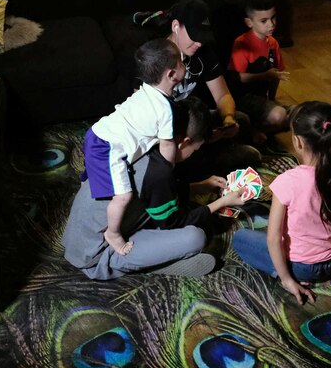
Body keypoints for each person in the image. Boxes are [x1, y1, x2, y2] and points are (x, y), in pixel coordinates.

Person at [63, 97, 247, 279]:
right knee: (195, 237)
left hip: (79, 234)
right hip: (94, 253)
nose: (192, 155)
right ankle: (132, 263)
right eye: (195, 149)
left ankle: (153, 254)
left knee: (186, 210)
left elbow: (155, 192)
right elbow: (174, 221)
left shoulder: (146, 143)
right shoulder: (159, 173)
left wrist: (199, 187)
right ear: (184, 142)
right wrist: (223, 202)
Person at [231, 101, 331, 305]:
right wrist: (329, 221)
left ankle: (300, 278)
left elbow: (274, 239)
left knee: (240, 238)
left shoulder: (288, 182)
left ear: (298, 142)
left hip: (302, 267)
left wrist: (287, 280)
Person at [83, 38, 186, 256]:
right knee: (123, 197)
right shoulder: (165, 109)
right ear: (171, 75)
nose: (184, 64)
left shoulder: (145, 89)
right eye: (182, 62)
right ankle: (113, 233)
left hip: (97, 133)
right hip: (107, 147)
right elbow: (167, 145)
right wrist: (168, 170)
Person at [167, 0, 261, 179]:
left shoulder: (203, 53)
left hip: (198, 123)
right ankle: (204, 170)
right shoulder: (157, 58)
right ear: (176, 26)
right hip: (171, 134)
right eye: (194, 37)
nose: (199, 43)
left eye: (203, 38)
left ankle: (215, 160)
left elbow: (222, 95)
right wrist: (201, 136)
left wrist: (228, 119)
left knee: (241, 120)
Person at [227, 0, 291, 145]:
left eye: (273, 18)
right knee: (280, 116)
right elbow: (238, 77)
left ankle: (258, 129)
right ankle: (253, 131)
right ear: (249, 22)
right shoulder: (241, 43)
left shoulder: (273, 43)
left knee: (301, 115)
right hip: (243, 97)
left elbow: (276, 75)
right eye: (264, 21)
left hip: (261, 97)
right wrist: (265, 75)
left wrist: (273, 98)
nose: (271, 24)